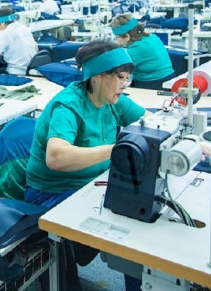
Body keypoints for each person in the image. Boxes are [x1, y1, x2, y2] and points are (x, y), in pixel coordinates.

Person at [25, 39, 148, 290]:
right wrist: (117, 150)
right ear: (96, 76)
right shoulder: (68, 105)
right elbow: (56, 157)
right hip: (52, 193)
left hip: (93, 185)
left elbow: (150, 124)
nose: (125, 85)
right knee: (128, 223)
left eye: (127, 79)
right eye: (120, 78)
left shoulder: (113, 100)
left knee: (138, 217)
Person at [110, 13, 175, 90]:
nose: (116, 40)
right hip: (168, 78)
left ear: (127, 36)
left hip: (155, 84)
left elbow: (117, 69)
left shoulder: (137, 48)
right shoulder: (151, 37)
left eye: (117, 37)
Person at [0, 8, 37, 75]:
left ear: (2, 23)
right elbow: (36, 48)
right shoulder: (24, 28)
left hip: (16, 72)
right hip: (31, 70)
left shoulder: (5, 33)